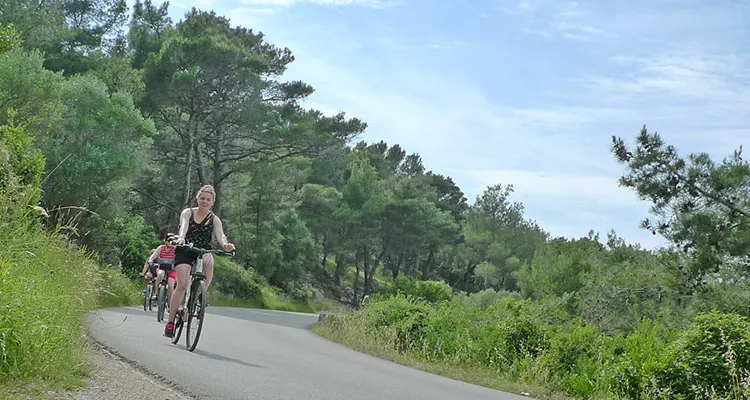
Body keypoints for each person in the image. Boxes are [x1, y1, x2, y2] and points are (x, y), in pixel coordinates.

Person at [164, 184, 235, 338]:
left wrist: (225, 245)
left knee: (210, 261)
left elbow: (220, 235)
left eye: (208, 199)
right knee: (182, 284)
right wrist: (181, 237)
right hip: (185, 248)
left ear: (212, 202)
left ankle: (201, 294)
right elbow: (183, 227)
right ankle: (170, 322)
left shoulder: (214, 219)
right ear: (197, 199)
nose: (204, 201)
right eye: (202, 198)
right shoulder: (188, 212)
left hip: (203, 250)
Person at [145, 233, 178, 305]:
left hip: (172, 269)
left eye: (172, 240)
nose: (170, 242)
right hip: (162, 267)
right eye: (169, 240)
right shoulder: (161, 247)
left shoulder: (176, 249)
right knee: (160, 274)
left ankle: (170, 303)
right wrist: (150, 260)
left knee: (171, 283)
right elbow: (153, 256)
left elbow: (179, 258)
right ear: (165, 241)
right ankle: (156, 293)